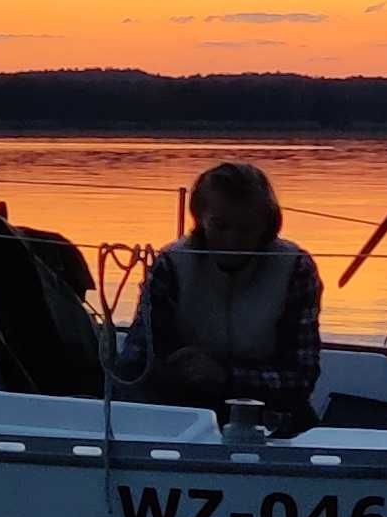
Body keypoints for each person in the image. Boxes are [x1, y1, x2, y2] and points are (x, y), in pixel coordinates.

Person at [129, 160, 323, 426]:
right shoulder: (170, 264)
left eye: (246, 228)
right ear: (200, 219)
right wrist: (178, 372)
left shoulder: (296, 269)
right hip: (182, 412)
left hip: (275, 416)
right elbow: (137, 360)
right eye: (220, 226)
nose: (232, 240)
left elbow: (302, 377)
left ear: (267, 224)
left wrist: (226, 376)